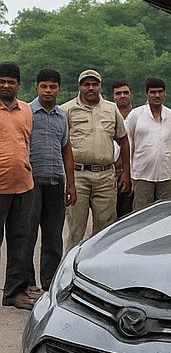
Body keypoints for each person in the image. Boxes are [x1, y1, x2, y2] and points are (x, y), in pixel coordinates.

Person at [62, 69, 131, 251]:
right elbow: (61, 145)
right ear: (79, 86)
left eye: (95, 84)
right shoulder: (66, 110)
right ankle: (71, 271)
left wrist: (126, 172)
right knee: (76, 228)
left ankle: (97, 269)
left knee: (105, 226)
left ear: (100, 86)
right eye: (86, 84)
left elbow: (123, 141)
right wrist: (67, 180)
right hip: (78, 175)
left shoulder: (111, 109)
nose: (91, 88)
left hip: (105, 176)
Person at [27, 69, 77, 294]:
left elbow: (67, 150)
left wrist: (71, 184)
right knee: (27, 236)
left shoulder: (62, 116)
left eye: (53, 87)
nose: (48, 90)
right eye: (44, 86)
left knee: (53, 238)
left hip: (56, 182)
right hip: (31, 183)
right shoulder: (26, 113)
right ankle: (27, 285)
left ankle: (50, 284)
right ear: (36, 88)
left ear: (59, 89)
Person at [0, 62, 37, 310]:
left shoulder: (26, 110)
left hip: (23, 185)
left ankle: (13, 294)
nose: (5, 85)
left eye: (10, 82)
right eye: (1, 81)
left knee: (20, 241)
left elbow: (27, 143)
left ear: (18, 85)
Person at [126, 78, 171, 210]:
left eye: (160, 92)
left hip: (166, 175)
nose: (157, 95)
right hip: (142, 175)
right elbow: (128, 145)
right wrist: (129, 174)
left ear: (164, 93)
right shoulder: (136, 115)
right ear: (146, 94)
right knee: (141, 215)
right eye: (153, 92)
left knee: (164, 215)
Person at [111, 79, 134, 217]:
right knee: (107, 216)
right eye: (118, 93)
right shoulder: (108, 116)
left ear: (131, 94)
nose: (122, 96)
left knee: (126, 215)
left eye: (126, 92)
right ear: (113, 96)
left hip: (131, 172)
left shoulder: (139, 116)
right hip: (110, 173)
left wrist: (131, 174)